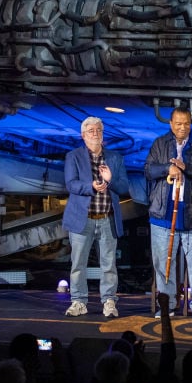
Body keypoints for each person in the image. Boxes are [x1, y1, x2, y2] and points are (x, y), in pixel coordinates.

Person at [145, 106, 192, 321]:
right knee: (163, 263)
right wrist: (167, 170)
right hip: (162, 215)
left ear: (190, 124)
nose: (182, 127)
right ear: (171, 124)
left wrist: (187, 167)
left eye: (186, 123)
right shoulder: (160, 144)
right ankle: (167, 304)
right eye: (178, 123)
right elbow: (148, 170)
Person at [62, 116, 131, 318]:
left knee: (108, 264)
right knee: (78, 263)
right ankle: (78, 301)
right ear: (83, 135)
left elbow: (124, 187)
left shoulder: (115, 158)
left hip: (107, 218)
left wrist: (109, 181)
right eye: (91, 131)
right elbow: (71, 184)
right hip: (82, 219)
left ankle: (109, 301)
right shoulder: (73, 156)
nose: (95, 133)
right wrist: (91, 187)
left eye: (98, 130)